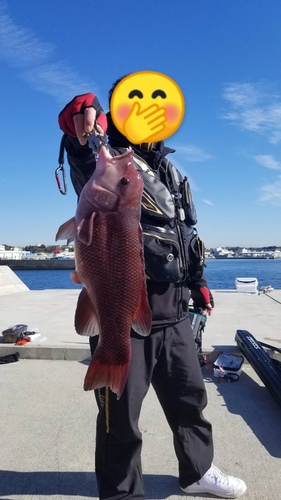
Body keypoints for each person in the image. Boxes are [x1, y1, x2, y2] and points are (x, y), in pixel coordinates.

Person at [58, 78, 247, 500]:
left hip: (176, 309)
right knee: (119, 414)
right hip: (122, 304)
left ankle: (197, 471)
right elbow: (81, 143)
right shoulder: (104, 159)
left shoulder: (169, 170)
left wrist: (198, 284)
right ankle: (122, 492)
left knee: (189, 397)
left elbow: (184, 232)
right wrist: (81, 124)